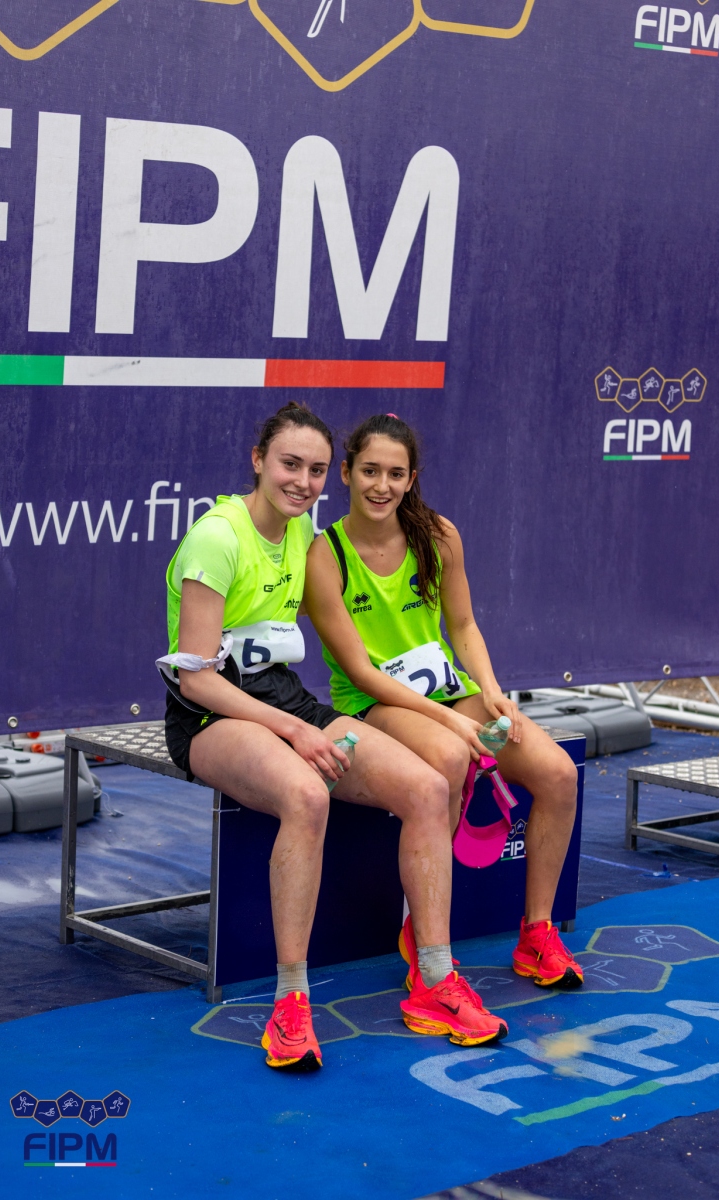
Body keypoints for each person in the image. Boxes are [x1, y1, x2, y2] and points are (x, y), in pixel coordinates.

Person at [158, 401, 508, 1072]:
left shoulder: (302, 533)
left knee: (429, 788)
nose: (303, 481)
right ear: (258, 460)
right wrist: (295, 731)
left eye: (316, 470)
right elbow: (197, 680)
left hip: (284, 699)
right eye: (289, 464)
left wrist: (298, 719)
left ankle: (435, 979)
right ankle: (291, 1001)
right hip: (209, 715)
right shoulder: (217, 539)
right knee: (307, 794)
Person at [304, 413, 583, 991]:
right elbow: (360, 672)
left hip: (450, 696)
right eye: (370, 471)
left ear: (412, 478)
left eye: (396, 474)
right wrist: (449, 721)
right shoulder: (323, 555)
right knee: (452, 756)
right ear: (347, 473)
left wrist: (493, 693)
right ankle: (428, 941)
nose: (382, 486)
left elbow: (463, 625)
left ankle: (537, 933)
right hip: (374, 705)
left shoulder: (438, 535)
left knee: (558, 773)